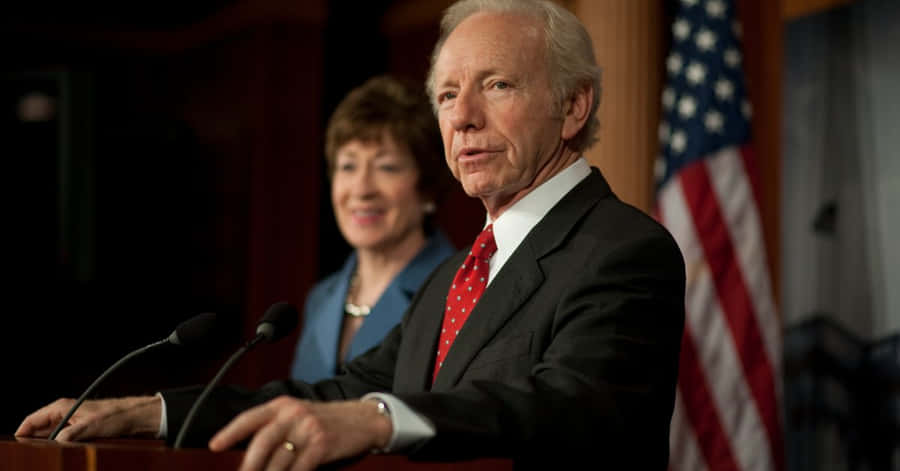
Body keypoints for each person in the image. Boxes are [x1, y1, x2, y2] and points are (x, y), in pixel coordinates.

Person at [17, 1, 686, 469]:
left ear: (574, 106)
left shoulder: (625, 250)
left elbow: (562, 408)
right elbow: (328, 396)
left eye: (497, 84)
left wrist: (377, 418)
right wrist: (154, 411)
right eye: (448, 95)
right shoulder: (457, 276)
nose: (464, 117)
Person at [291, 75, 455, 383]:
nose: (362, 189)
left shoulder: (457, 292)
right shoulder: (321, 297)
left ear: (428, 188)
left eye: (386, 167)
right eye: (348, 166)